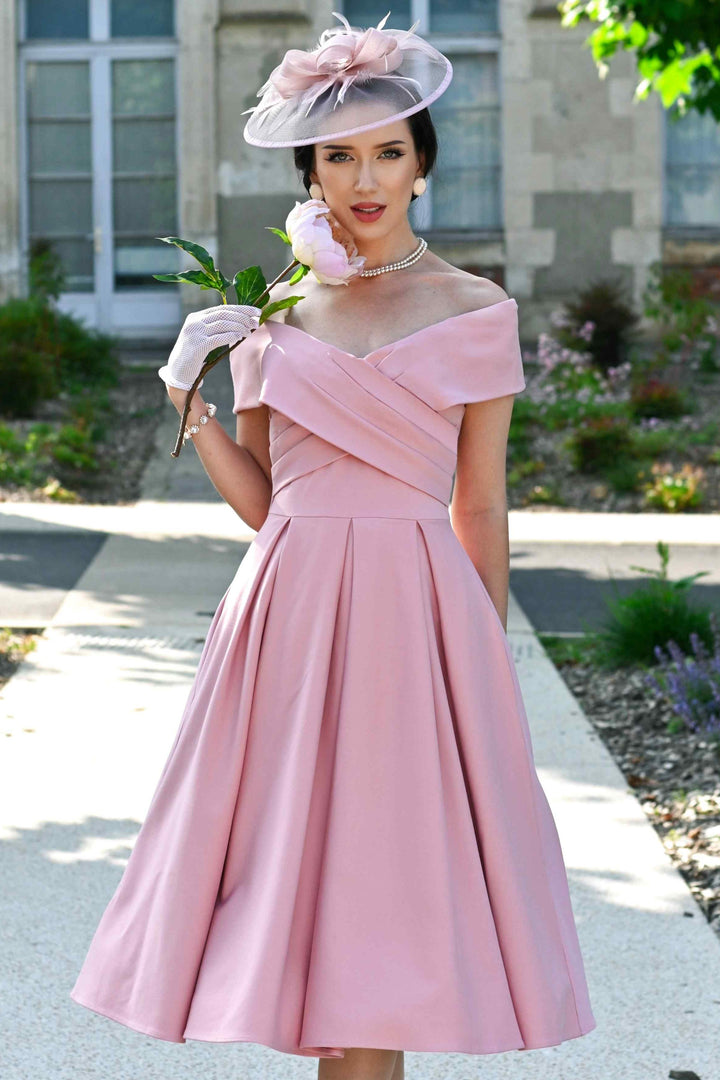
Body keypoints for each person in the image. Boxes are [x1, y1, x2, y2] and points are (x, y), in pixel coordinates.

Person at [70, 13, 597, 1080]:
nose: (366, 178)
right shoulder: (273, 317)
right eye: (340, 155)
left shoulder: (475, 308)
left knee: (385, 910)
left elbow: (480, 504)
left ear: (422, 166)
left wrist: (481, 658)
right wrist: (191, 396)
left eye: (389, 152)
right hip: (288, 617)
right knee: (300, 911)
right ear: (310, 170)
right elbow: (271, 505)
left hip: (416, 619)